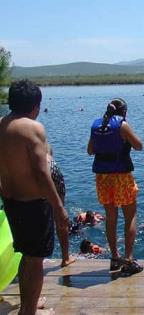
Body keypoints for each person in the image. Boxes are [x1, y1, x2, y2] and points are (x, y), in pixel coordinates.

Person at [0, 79, 69, 315]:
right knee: (36, 259)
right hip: (33, 204)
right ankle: (29, 311)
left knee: (27, 256)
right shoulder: (32, 128)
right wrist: (58, 207)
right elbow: (42, 172)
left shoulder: (2, 125)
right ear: (35, 105)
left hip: (11, 201)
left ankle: (29, 302)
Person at [87, 98, 144, 275]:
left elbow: (90, 150)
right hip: (121, 176)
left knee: (111, 218)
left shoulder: (97, 125)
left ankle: (114, 257)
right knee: (130, 216)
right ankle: (128, 259)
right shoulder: (122, 125)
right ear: (124, 111)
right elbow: (139, 146)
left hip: (103, 178)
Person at [47, 144, 76, 267]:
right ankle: (65, 258)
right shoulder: (34, 128)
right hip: (48, 167)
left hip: (25, 171)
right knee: (59, 215)